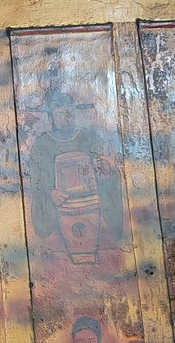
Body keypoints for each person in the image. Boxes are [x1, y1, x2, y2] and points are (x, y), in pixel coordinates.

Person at [27, 89, 123, 264]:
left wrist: (106, 170)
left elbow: (105, 170)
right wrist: (50, 192)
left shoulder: (89, 138)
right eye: (60, 113)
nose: (66, 117)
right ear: (51, 116)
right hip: (60, 200)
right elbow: (36, 180)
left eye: (69, 112)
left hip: (90, 198)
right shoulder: (42, 145)